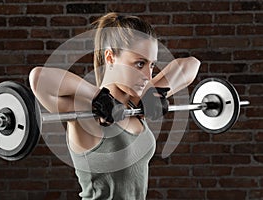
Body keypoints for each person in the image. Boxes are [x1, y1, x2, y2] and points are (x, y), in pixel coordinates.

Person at [29, 12, 200, 200]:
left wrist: (157, 91)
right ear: (110, 57)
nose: (148, 76)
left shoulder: (135, 103)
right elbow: (38, 78)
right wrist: (98, 96)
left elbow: (191, 65)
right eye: (139, 64)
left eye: (151, 66)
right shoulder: (85, 111)